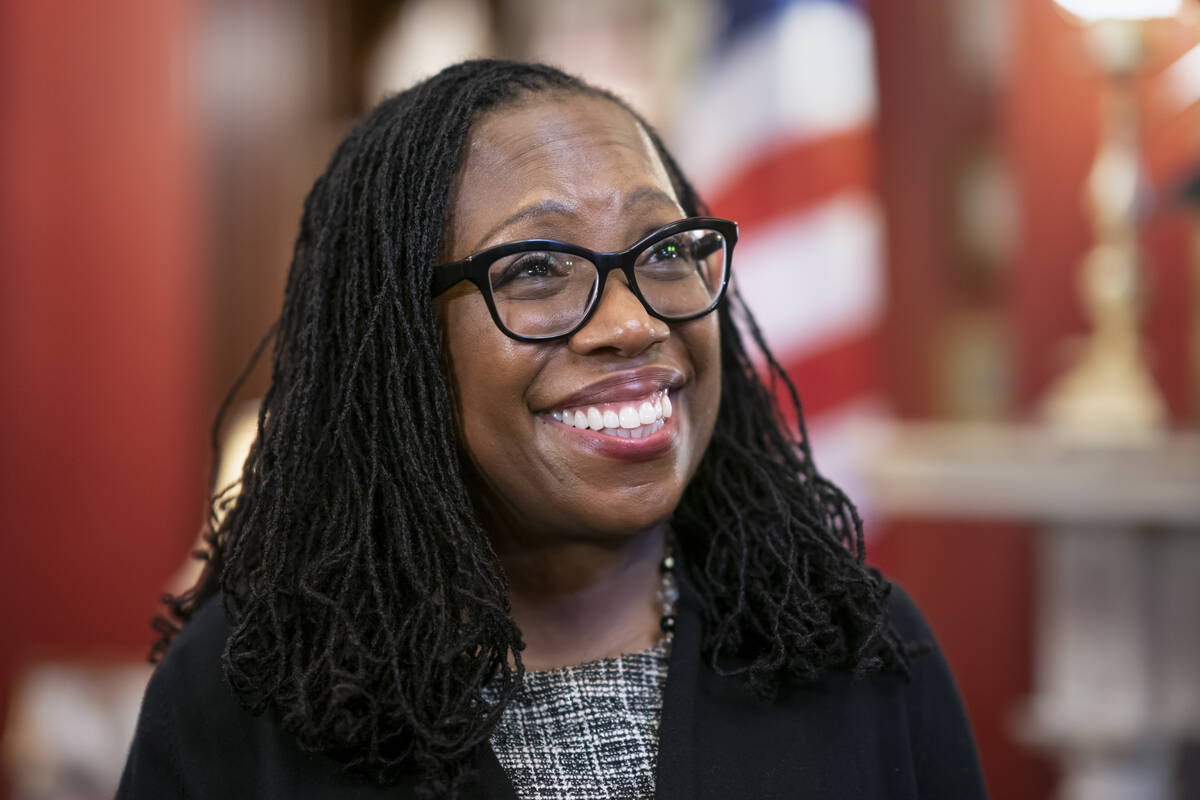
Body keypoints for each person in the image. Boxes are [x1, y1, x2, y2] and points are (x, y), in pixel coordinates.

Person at [118, 60, 986, 800]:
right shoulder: (244, 697)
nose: (634, 324)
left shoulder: (859, 654)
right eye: (537, 267)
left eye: (666, 251)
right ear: (401, 342)